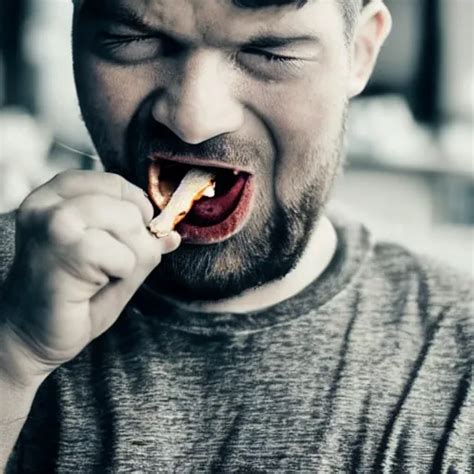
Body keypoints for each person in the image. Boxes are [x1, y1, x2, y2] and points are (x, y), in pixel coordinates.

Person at [0, 0, 472, 471]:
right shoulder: (9, 288)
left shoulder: (459, 360)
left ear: (361, 51)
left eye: (272, 52)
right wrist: (13, 357)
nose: (193, 118)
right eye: (133, 39)